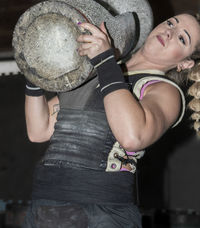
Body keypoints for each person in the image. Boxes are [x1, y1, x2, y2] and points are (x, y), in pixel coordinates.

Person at [23, 13, 200, 228]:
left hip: (101, 212)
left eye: (182, 38)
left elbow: (133, 136)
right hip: (46, 204)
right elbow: (38, 130)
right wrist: (32, 73)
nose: (170, 31)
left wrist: (105, 60)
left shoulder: (164, 90)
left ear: (185, 63)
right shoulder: (99, 68)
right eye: (171, 23)